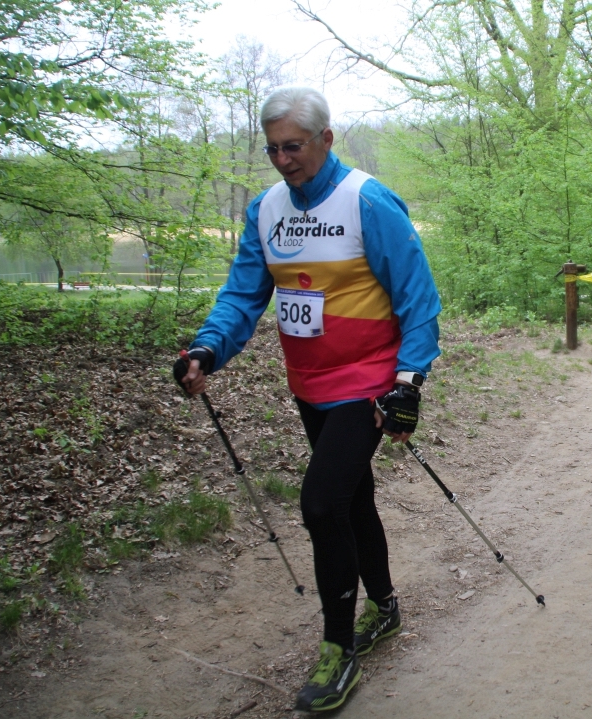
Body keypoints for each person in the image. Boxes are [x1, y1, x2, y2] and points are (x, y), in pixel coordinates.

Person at [174, 86, 441, 712]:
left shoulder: (367, 201)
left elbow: (418, 299)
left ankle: (338, 650)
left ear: (326, 138)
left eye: (293, 146)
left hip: (367, 382)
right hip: (309, 385)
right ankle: (385, 606)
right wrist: (208, 349)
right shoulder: (266, 210)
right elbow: (243, 295)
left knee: (321, 505)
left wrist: (408, 383)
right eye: (272, 149)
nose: (282, 160)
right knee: (352, 499)